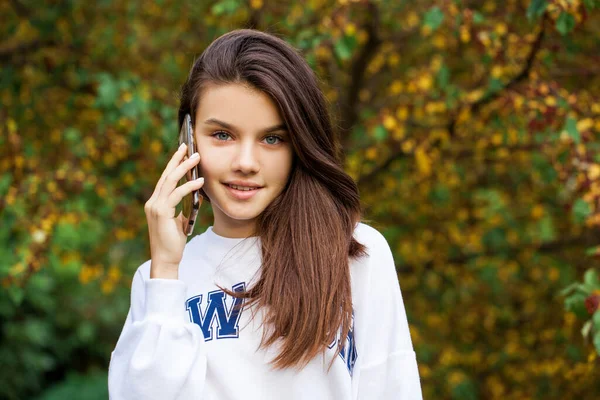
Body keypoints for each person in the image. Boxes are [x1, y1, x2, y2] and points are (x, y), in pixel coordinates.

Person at [108, 29, 423, 400]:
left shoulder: (355, 252)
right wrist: (163, 270)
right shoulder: (159, 280)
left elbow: (391, 387)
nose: (245, 163)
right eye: (222, 135)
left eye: (272, 139)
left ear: (299, 146)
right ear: (188, 140)